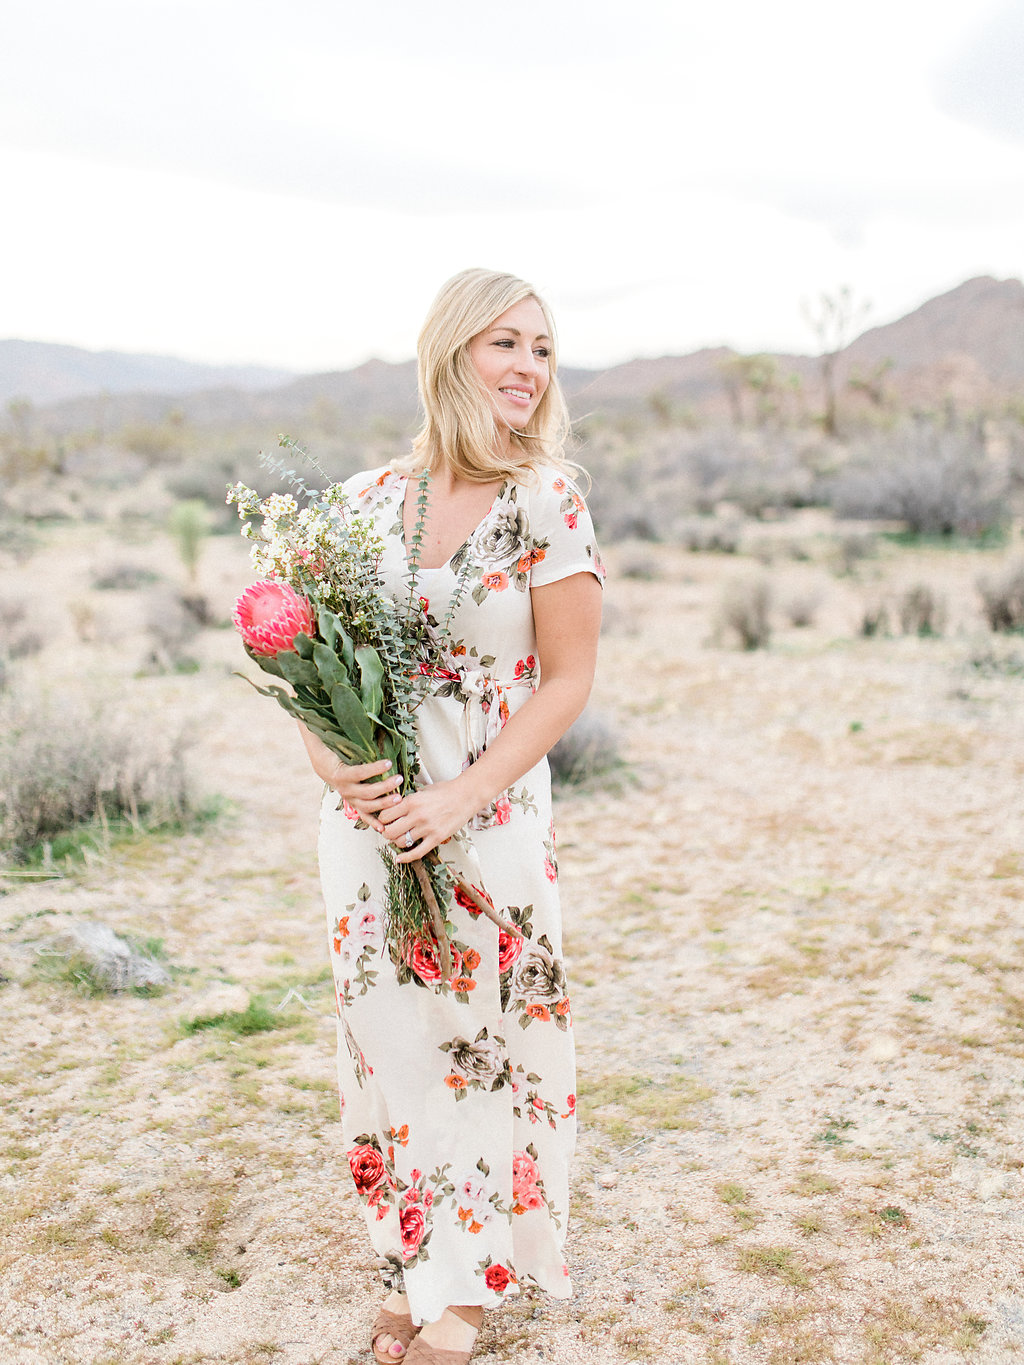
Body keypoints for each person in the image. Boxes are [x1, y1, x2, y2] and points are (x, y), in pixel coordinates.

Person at [298, 268, 604, 1364]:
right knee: (387, 1042)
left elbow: (566, 680)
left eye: (543, 350)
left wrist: (462, 797)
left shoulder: (546, 500)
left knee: (481, 1041)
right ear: (449, 351)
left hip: (489, 810)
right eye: (504, 343)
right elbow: (310, 667)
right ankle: (411, 1255)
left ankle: (467, 1288)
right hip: (371, 825)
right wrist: (339, 772)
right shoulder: (362, 498)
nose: (528, 367)